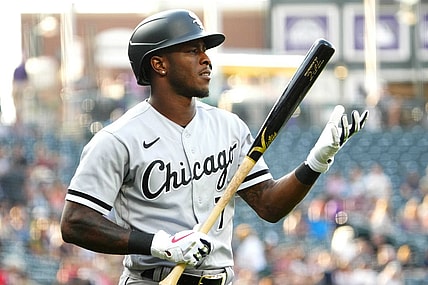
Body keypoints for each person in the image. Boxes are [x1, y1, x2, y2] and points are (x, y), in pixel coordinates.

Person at [60, 9, 369, 285]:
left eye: (204, 50)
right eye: (193, 51)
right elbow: (75, 222)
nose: (206, 59)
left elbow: (270, 206)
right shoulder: (118, 138)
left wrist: (317, 159)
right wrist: (157, 244)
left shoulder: (229, 127)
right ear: (159, 64)